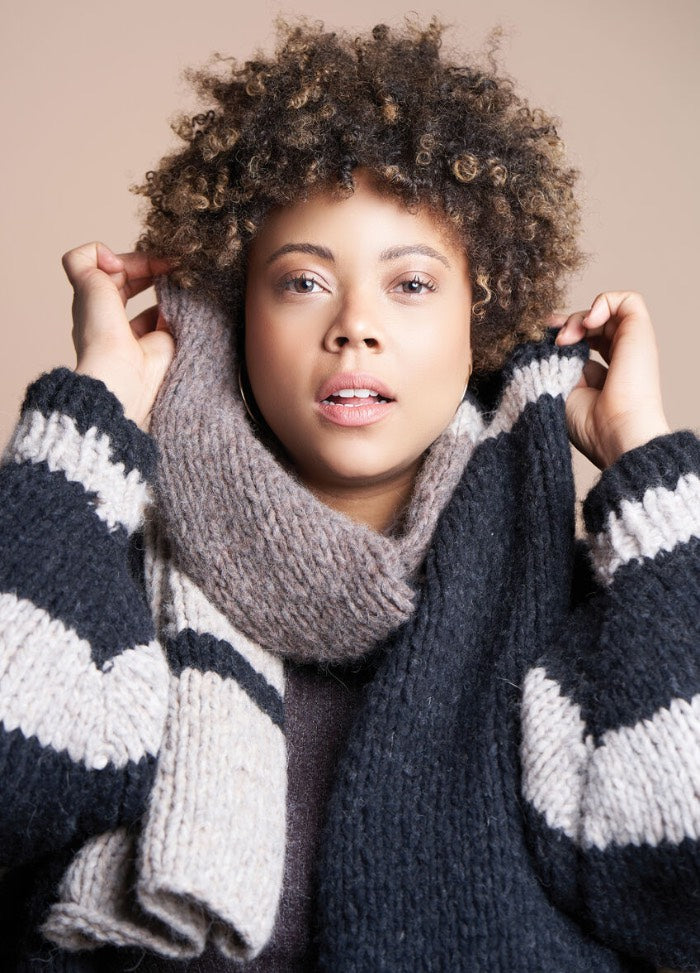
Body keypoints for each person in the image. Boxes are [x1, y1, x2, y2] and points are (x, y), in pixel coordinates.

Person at [0, 14, 698, 973]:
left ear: (483, 321)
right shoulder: (98, 583)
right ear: (232, 313)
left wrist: (643, 456)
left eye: (411, 285)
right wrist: (98, 411)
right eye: (302, 282)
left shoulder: (576, 625)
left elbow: (682, 880)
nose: (356, 325)